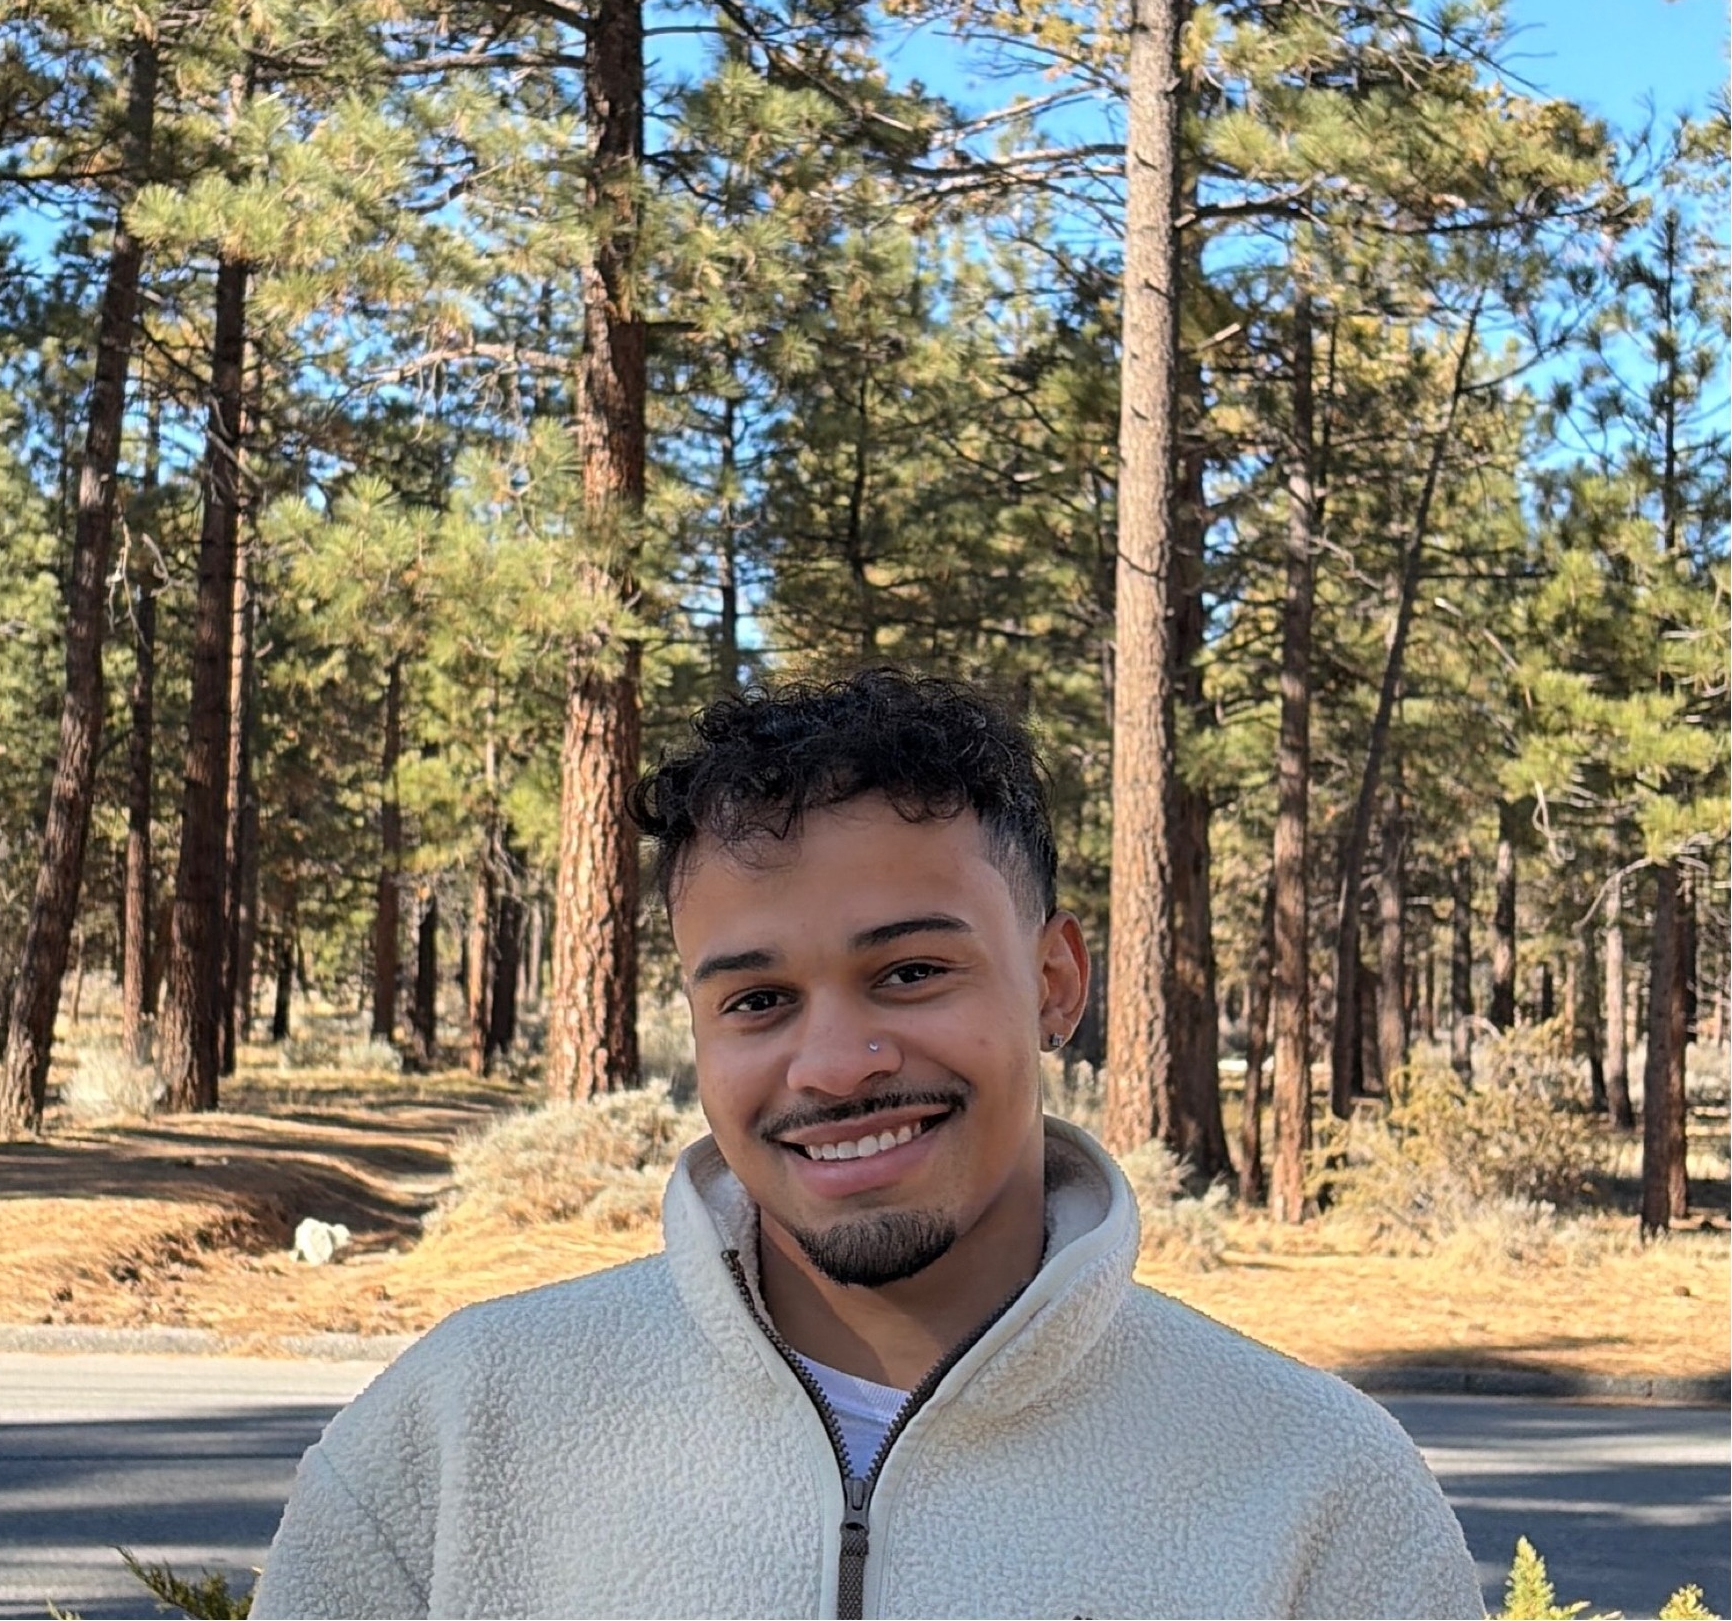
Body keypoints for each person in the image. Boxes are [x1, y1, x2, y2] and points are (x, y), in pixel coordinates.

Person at [251, 671, 1485, 1620]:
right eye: (758, 1000)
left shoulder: (1320, 1494)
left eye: (910, 972)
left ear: (1056, 983)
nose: (836, 1065)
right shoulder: (459, 1436)